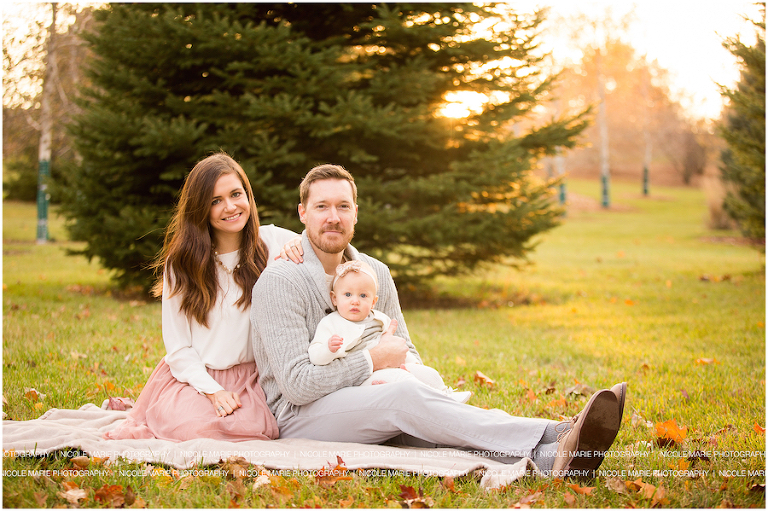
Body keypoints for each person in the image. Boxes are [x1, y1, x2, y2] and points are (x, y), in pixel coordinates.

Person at [251, 163, 626, 476]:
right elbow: (297, 386)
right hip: (301, 416)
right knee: (403, 399)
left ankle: (549, 457)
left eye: (343, 206)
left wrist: (412, 377)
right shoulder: (281, 282)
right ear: (302, 213)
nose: (333, 217)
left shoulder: (376, 273)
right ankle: (555, 431)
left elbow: (405, 350)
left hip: (375, 393)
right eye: (321, 206)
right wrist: (373, 361)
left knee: (428, 416)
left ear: (356, 213)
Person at [105, 153, 301, 442]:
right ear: (200, 209)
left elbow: (333, 251)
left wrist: (298, 245)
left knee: (249, 429)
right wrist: (213, 391)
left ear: (248, 195)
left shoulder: (273, 241)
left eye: (236, 194)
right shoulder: (181, 264)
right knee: (197, 430)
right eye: (215, 201)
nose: (230, 207)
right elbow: (178, 348)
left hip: (255, 379)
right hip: (195, 380)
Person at [309, 260, 471, 403]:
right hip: (363, 379)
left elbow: (396, 345)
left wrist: (411, 363)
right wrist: (328, 349)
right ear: (334, 298)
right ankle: (436, 401)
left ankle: (445, 394)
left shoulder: (380, 319)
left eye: (363, 295)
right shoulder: (331, 323)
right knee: (402, 379)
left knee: (427, 373)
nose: (355, 301)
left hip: (392, 368)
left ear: (373, 301)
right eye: (348, 294)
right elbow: (315, 356)